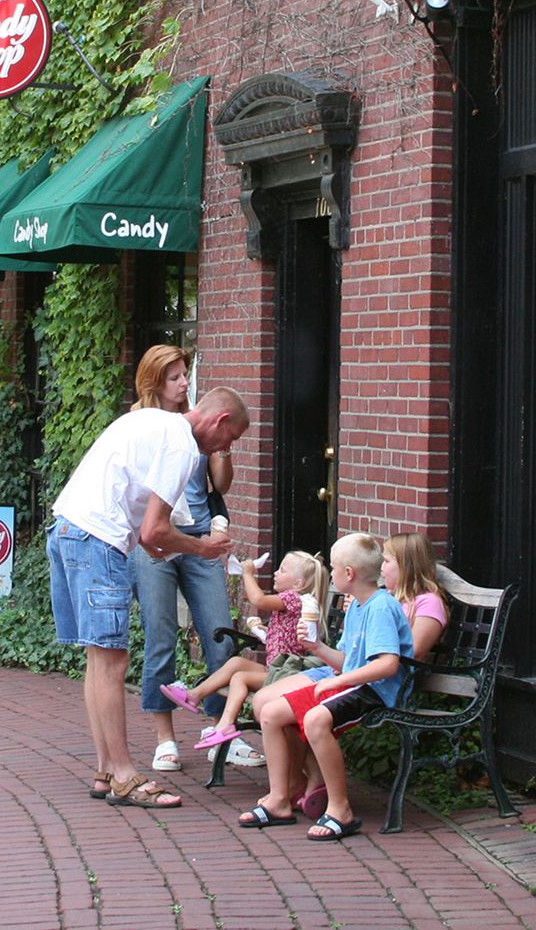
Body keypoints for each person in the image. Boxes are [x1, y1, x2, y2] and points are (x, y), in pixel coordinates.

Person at [48, 386, 247, 809]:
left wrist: (159, 542)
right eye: (231, 440)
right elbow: (153, 531)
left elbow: (146, 525)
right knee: (112, 660)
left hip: (69, 528)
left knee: (97, 657)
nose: (227, 448)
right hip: (98, 539)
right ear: (220, 421)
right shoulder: (182, 447)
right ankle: (124, 775)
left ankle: (105, 770)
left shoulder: (153, 420)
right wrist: (201, 548)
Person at [127, 344, 266, 771]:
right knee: (161, 633)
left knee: (220, 632)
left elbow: (220, 485)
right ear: (154, 381)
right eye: (174, 376)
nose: (184, 382)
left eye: (185, 374)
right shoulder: (142, 423)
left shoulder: (202, 424)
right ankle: (164, 738)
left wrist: (222, 445)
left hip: (201, 537)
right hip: (154, 541)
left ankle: (220, 729)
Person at [238, 532, 411, 840]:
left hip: (376, 690)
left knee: (316, 718)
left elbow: (387, 664)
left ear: (349, 574)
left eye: (332, 567)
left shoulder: (381, 607)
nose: (329, 574)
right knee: (272, 713)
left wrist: (340, 679)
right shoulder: (357, 606)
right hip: (352, 683)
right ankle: (279, 800)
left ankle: (340, 809)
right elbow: (347, 659)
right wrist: (316, 646)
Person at [161, 548, 330, 750]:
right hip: (277, 669)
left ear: (298, 584)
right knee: (236, 663)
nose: (276, 572)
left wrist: (247, 573)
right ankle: (194, 695)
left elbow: (258, 600)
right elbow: (284, 639)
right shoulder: (291, 602)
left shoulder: (294, 599)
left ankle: (226, 725)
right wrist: (262, 630)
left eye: (282, 570)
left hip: (287, 674)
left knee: (240, 677)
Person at [384, 532, 449, 660]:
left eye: (386, 561)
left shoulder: (430, 603)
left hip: (396, 674)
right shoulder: (388, 598)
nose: (381, 567)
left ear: (406, 566)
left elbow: (414, 651)